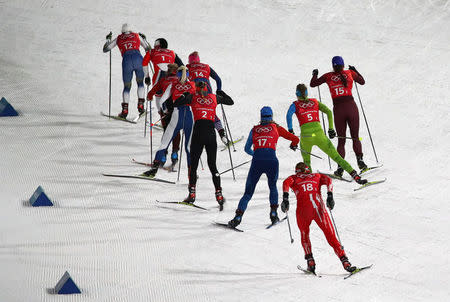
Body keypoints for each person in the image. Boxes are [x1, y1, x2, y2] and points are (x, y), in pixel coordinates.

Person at [228, 107, 299, 228]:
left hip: (257, 162)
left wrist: (255, 154)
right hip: (272, 161)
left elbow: (246, 149)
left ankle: (238, 217)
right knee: (272, 187)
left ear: (261, 117)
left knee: (248, 193)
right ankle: (273, 214)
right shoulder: (276, 128)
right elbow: (295, 139)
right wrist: (293, 145)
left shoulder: (255, 129)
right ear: (271, 116)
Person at [281, 162, 356, 274]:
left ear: (297, 171)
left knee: (304, 234)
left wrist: (285, 199)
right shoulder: (316, 175)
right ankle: (345, 261)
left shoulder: (293, 178)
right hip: (319, 209)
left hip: (303, 211)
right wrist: (330, 195)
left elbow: (285, 183)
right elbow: (329, 180)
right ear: (307, 170)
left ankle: (310, 262)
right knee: (330, 235)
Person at [286, 84, 367, 185]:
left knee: (307, 162)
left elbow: (289, 115)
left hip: (306, 137)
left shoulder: (295, 104)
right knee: (337, 157)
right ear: (307, 93)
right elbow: (328, 112)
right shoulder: (314, 101)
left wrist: (291, 130)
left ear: (296, 94)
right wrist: (331, 129)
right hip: (319, 135)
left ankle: (309, 185)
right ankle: (355, 175)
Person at [172, 81, 234, 205]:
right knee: (213, 166)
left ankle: (192, 194)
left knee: (194, 165)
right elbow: (230, 101)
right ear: (206, 89)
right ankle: (219, 195)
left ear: (197, 89)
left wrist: (184, 95)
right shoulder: (213, 97)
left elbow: (176, 103)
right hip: (211, 134)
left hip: (198, 133)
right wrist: (221, 92)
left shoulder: (192, 96)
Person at [310, 56, 367, 176]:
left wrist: (315, 74)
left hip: (338, 109)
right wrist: (355, 71)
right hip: (351, 107)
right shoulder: (350, 73)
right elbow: (362, 81)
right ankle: (361, 162)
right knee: (355, 136)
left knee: (341, 140)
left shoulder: (328, 76)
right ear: (343, 64)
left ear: (333, 66)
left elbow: (313, 84)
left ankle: (340, 168)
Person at [141, 66, 195, 178]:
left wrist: (164, 110)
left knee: (164, 142)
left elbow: (161, 100)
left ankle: (154, 170)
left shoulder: (173, 84)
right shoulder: (193, 85)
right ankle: (192, 175)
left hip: (176, 115)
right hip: (189, 116)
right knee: (189, 147)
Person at [103, 24, 150, 118]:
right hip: (138, 59)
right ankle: (141, 106)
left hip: (127, 60)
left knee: (127, 86)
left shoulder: (119, 38)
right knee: (140, 83)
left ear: (122, 31)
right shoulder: (136, 35)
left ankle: (124, 111)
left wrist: (108, 39)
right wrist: (144, 39)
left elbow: (106, 49)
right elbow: (147, 48)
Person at [187, 51, 229, 146]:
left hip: (196, 93)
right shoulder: (206, 66)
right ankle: (222, 135)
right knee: (212, 114)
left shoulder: (188, 67)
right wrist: (219, 90)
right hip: (208, 93)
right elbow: (218, 79)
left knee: (198, 114)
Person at [146, 63, 181, 165]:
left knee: (166, 132)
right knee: (176, 130)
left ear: (168, 71)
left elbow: (152, 92)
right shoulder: (179, 81)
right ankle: (175, 153)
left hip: (165, 108)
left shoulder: (163, 80)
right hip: (176, 108)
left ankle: (163, 156)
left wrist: (149, 97)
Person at [142, 38, 184, 113]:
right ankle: (170, 116)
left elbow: (144, 63)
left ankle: (162, 116)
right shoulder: (172, 52)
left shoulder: (152, 52)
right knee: (170, 95)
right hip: (173, 75)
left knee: (158, 95)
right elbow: (182, 66)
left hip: (159, 74)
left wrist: (147, 76)